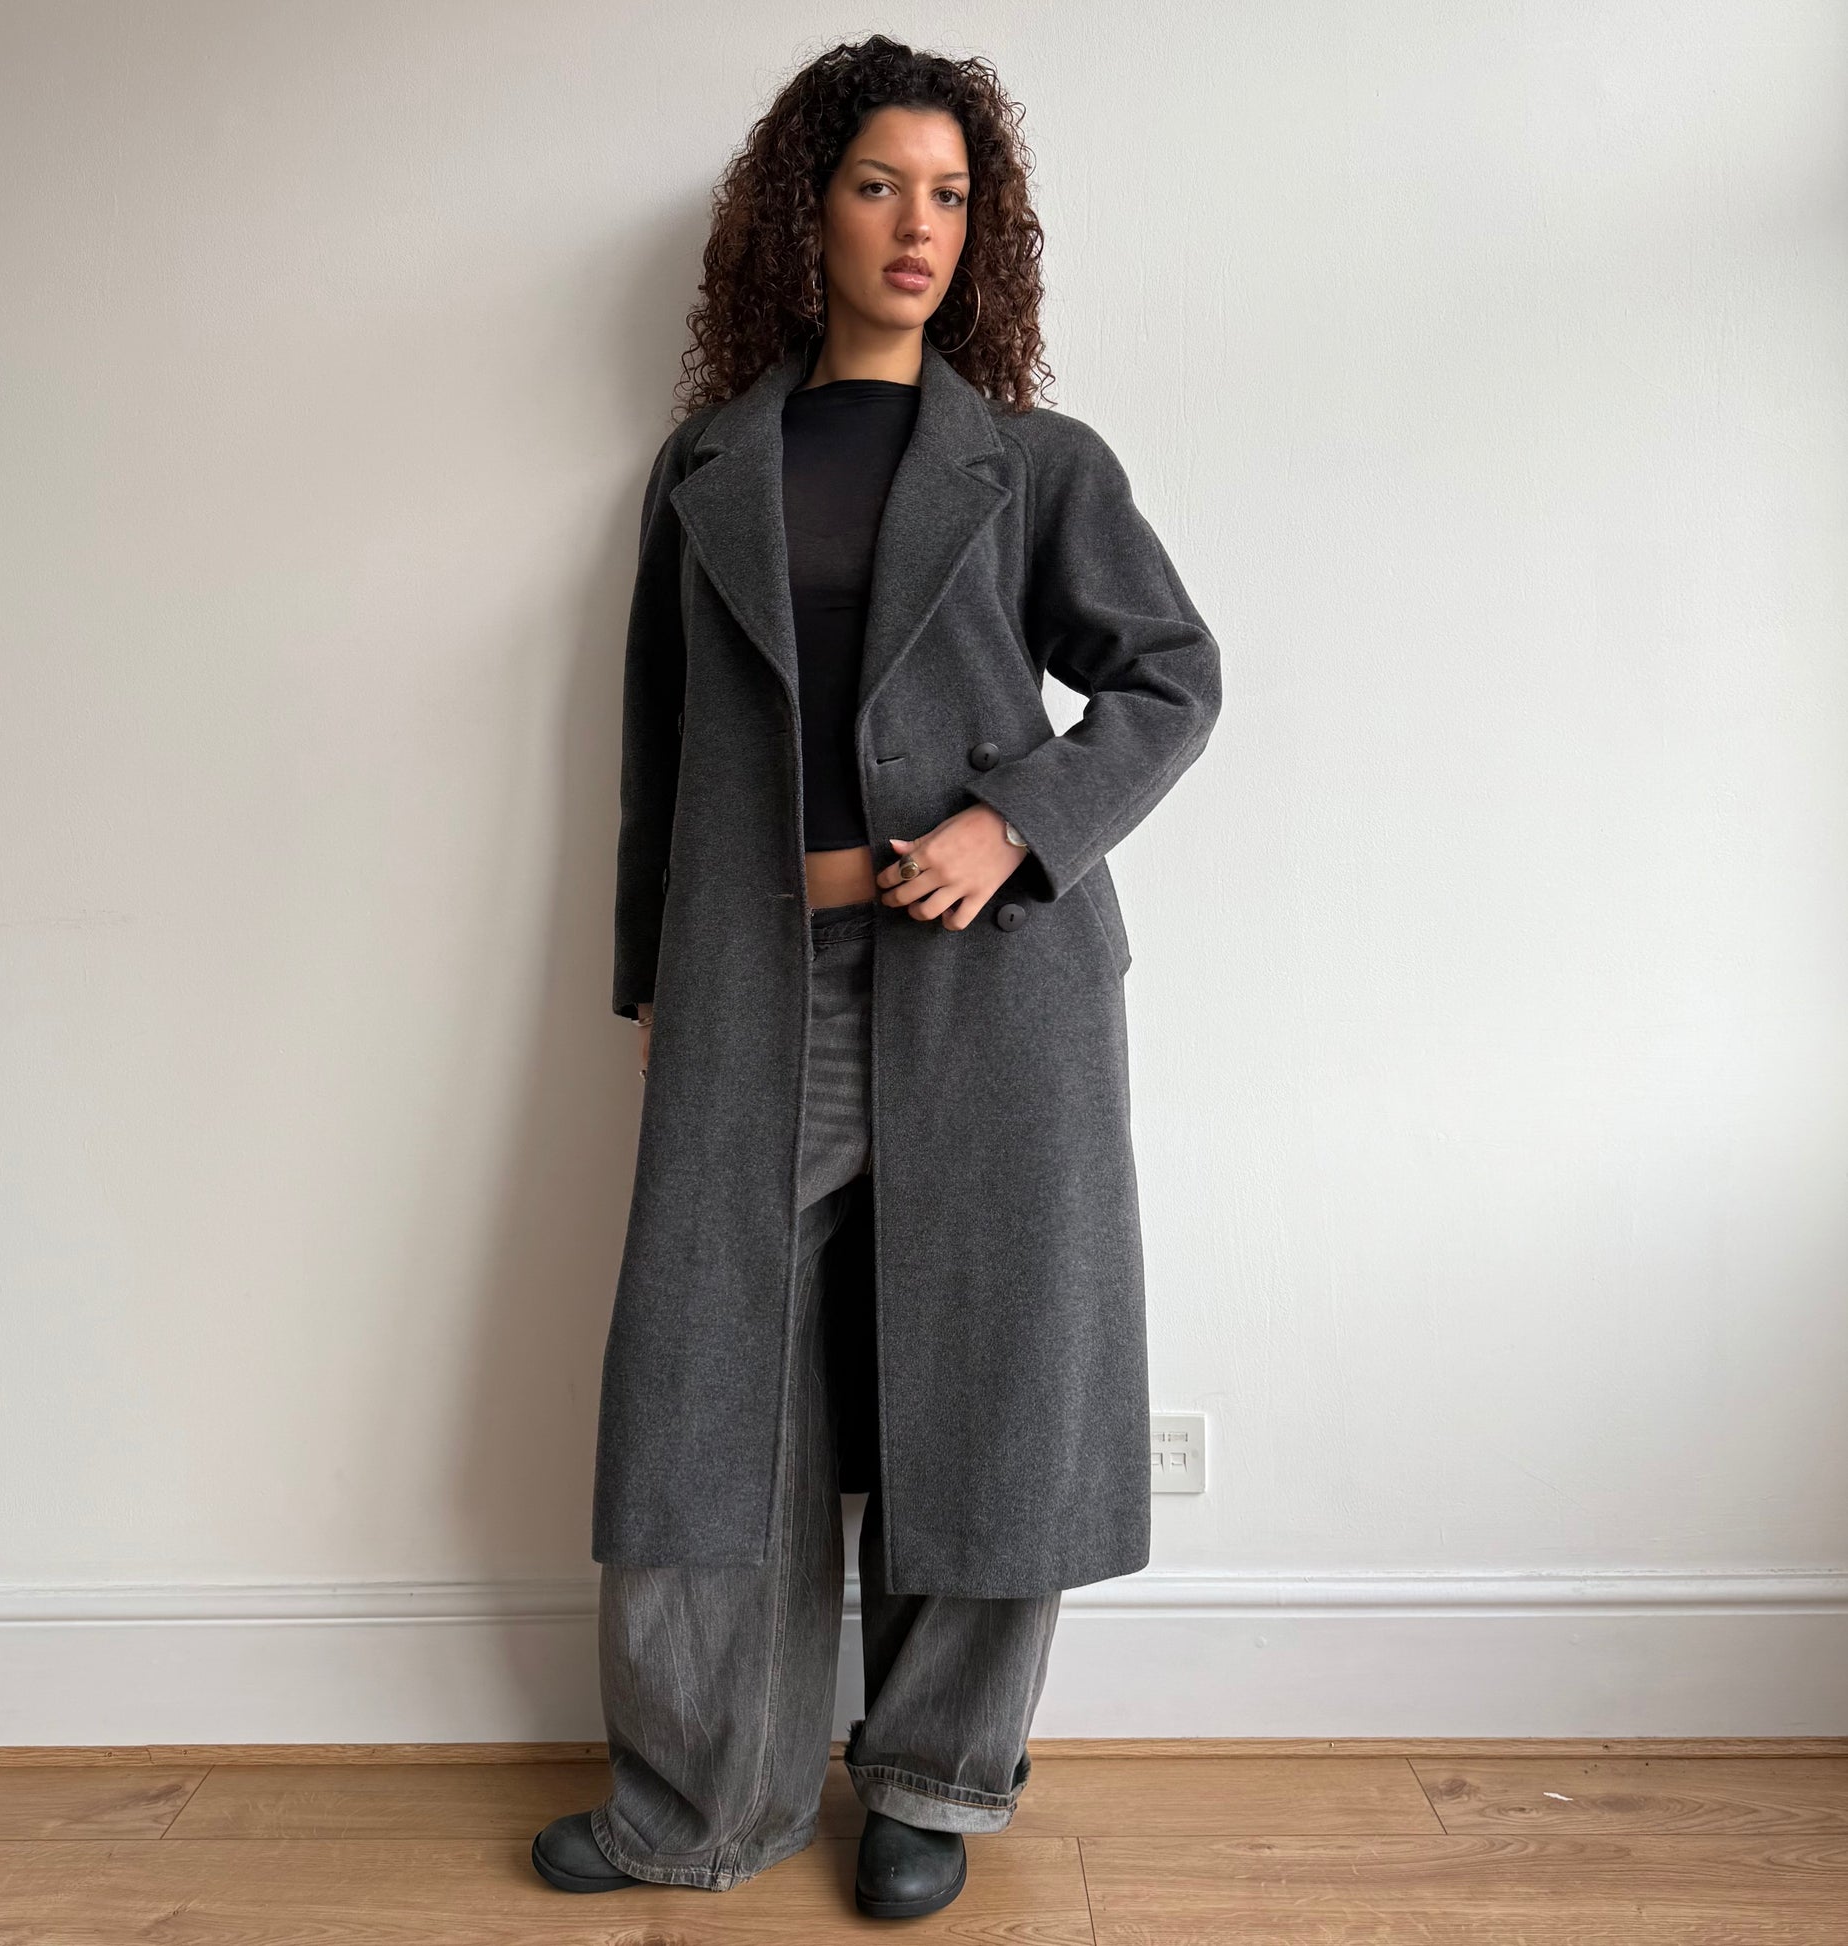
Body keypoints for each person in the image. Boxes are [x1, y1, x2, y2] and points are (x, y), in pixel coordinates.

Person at [534, 33, 1223, 1920]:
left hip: (993, 981)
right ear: (803, 214)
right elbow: (660, 751)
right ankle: (697, 1799)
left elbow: (1168, 676)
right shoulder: (708, 468)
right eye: (876, 187)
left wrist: (1014, 822)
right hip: (756, 981)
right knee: (708, 1387)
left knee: (984, 1372)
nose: (917, 226)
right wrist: (654, 978)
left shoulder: (1037, 466)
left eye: (950, 195)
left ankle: (931, 1775)